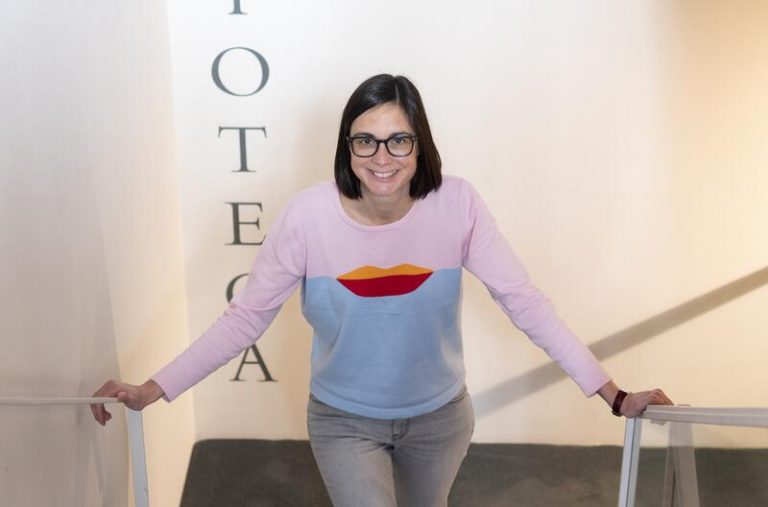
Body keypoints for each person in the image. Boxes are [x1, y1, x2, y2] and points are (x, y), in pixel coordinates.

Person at [92, 74, 673, 507]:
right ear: (347, 147)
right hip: (344, 421)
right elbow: (244, 319)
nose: (382, 157)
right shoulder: (307, 218)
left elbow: (524, 301)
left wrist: (614, 395)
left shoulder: (458, 204)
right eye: (365, 141)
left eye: (399, 140)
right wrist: (152, 389)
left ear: (421, 145)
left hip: (440, 419)